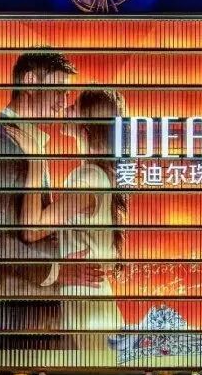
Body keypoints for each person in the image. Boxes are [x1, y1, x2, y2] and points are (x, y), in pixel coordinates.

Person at [0, 51, 104, 350]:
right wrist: (58, 270)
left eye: (67, 94)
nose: (63, 101)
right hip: (11, 321)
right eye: (59, 90)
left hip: (32, 317)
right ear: (30, 82)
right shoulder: (0, 142)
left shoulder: (26, 142)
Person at [13, 90, 128, 348]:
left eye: (74, 106)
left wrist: (35, 161)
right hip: (89, 300)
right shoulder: (96, 174)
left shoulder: (88, 178)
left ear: (87, 122)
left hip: (86, 305)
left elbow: (32, 230)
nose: (66, 109)